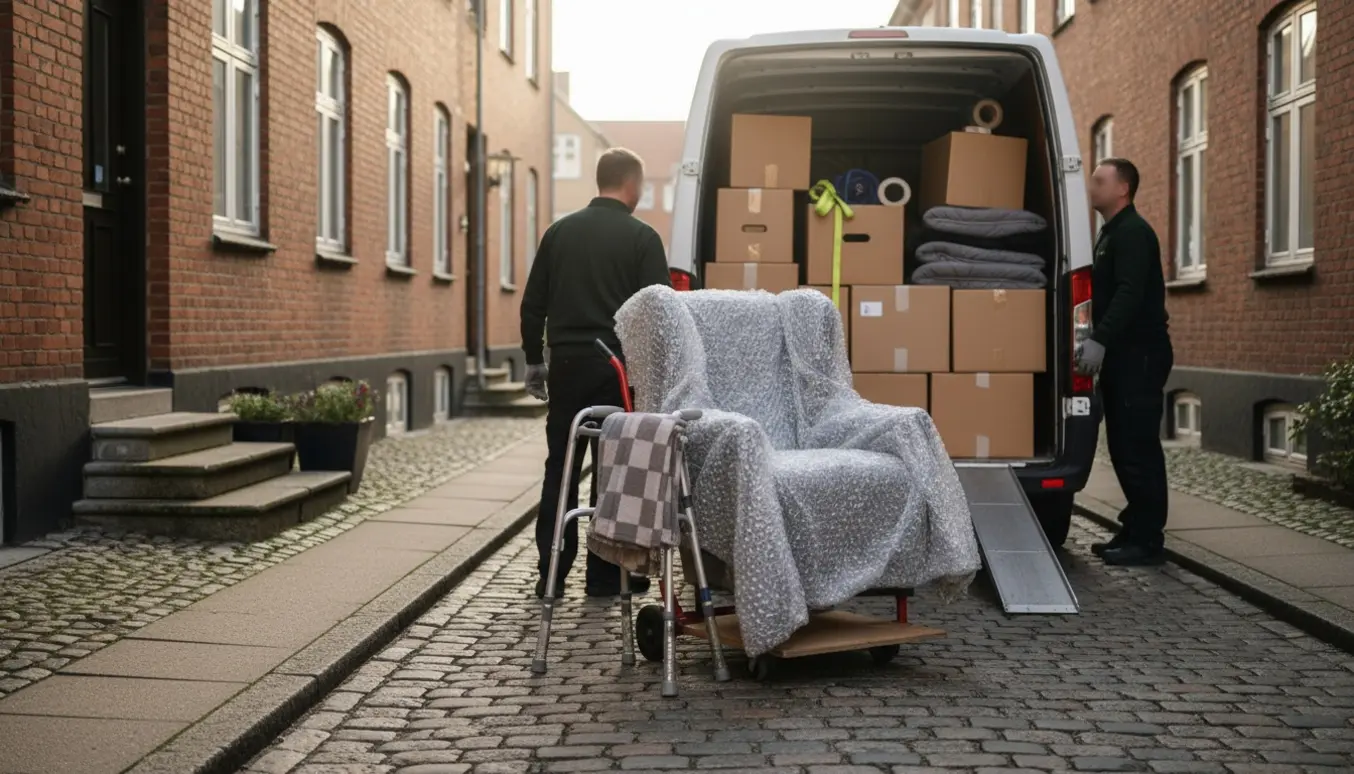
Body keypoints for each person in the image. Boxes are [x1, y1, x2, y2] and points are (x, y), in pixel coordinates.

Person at [519, 147, 672, 598]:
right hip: (617, 371)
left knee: (560, 468)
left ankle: (551, 573)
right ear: (633, 185)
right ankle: (607, 576)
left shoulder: (559, 233)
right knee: (615, 471)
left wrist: (534, 360)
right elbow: (658, 313)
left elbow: (533, 304)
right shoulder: (642, 238)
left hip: (566, 365)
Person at [1076, 157, 1174, 567]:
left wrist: (1100, 338)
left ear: (1122, 189)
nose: (1091, 185)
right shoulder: (1111, 233)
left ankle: (1148, 540)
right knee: (1122, 446)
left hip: (1140, 356)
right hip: (1124, 356)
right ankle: (1134, 528)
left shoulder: (1133, 232)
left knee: (1138, 449)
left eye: (1100, 180)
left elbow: (1130, 295)